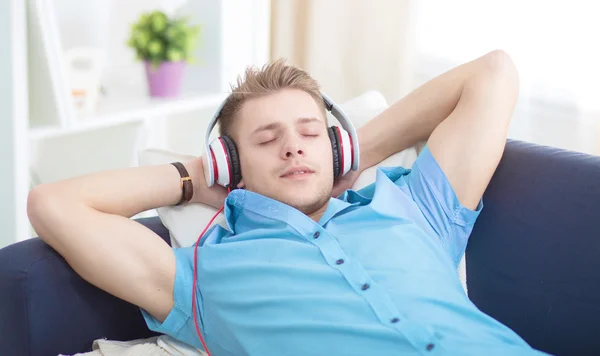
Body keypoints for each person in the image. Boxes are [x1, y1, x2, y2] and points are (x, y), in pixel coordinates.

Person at [27, 50, 549, 355]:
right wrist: (198, 174)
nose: (294, 146)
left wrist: (348, 157)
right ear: (233, 165)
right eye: (266, 139)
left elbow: (494, 73)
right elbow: (55, 204)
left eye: (309, 133)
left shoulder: (414, 206)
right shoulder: (203, 277)